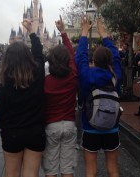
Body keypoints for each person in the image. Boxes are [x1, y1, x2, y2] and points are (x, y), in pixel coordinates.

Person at [0, 19, 45, 177]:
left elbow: (0, 111)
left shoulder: (5, 81)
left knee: (11, 173)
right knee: (31, 173)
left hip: (12, 133)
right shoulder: (37, 73)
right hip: (35, 131)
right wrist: (32, 31)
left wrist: (3, 130)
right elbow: (39, 53)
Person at [75, 17, 122, 177]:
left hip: (90, 128)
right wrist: (104, 34)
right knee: (113, 169)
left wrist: (84, 33)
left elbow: (80, 56)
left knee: (90, 170)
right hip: (112, 127)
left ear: (93, 59)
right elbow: (115, 56)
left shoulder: (87, 75)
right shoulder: (115, 75)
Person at [42, 16, 78, 177]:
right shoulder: (72, 77)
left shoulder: (46, 82)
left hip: (52, 126)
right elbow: (71, 55)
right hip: (69, 125)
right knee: (67, 168)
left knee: (51, 168)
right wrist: (63, 32)